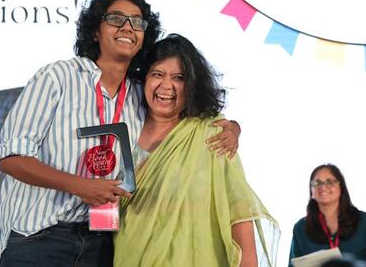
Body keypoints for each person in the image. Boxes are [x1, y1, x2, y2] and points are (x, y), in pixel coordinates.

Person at [0, 0, 241, 267]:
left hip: (102, 242)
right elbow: (12, 159)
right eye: (116, 19)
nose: (128, 27)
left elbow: (190, 112)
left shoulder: (141, 93)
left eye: (137, 22)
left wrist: (233, 126)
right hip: (39, 238)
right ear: (95, 32)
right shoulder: (58, 77)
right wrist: (81, 186)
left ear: (142, 40)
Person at [113, 34, 279, 267]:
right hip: (127, 256)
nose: (166, 86)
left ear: (191, 85)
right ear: (144, 78)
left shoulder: (212, 134)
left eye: (178, 78)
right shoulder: (123, 128)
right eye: (157, 74)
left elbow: (237, 212)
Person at [289, 163, 366, 267]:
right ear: (311, 190)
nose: (323, 187)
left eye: (330, 182)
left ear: (341, 187)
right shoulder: (301, 228)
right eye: (317, 183)